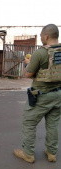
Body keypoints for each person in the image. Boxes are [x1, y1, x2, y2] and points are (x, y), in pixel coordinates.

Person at [13, 24, 61, 163]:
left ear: (46, 36)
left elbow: (28, 74)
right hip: (58, 94)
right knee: (53, 124)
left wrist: (27, 63)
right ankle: (52, 153)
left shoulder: (40, 53)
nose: (40, 38)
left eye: (41, 35)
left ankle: (28, 153)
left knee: (29, 122)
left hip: (41, 95)